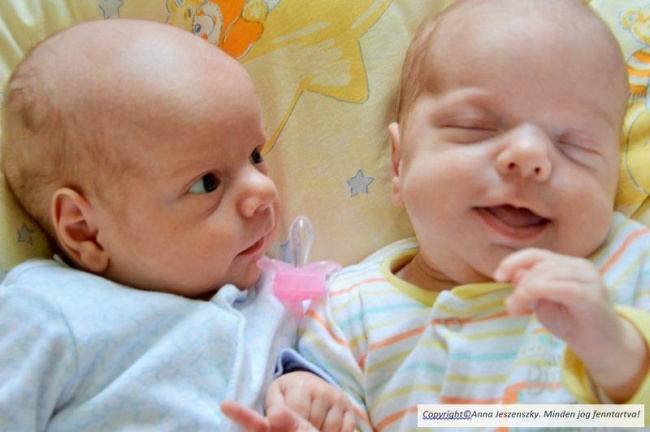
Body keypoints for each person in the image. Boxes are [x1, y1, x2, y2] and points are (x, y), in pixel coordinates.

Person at [294, 0, 650, 430]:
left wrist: (620, 355)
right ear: (399, 163)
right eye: (475, 126)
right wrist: (305, 407)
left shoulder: (631, 262)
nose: (529, 155)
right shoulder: (350, 313)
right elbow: (315, 405)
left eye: (575, 144)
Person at [0, 19, 354, 432]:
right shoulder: (48, 312)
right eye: (207, 183)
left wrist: (310, 392)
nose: (264, 190)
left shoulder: (277, 299)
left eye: (255, 155)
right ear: (84, 230)